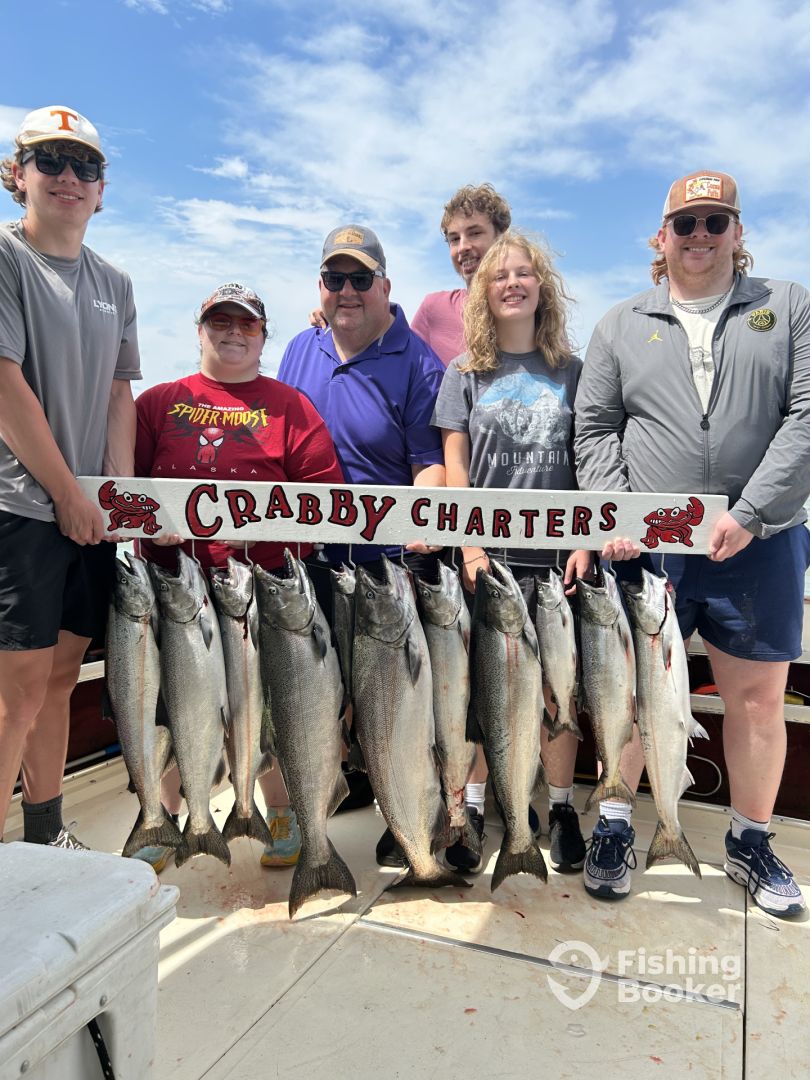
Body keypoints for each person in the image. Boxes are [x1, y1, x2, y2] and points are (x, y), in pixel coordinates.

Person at [574, 170, 810, 917]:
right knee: (630, 695)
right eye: (686, 223)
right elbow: (595, 429)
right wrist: (617, 515)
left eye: (716, 222)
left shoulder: (789, 305)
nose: (700, 236)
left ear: (739, 232)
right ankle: (615, 822)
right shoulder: (619, 324)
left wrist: (751, 512)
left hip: (761, 540)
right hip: (652, 550)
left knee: (757, 700)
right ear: (661, 236)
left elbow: (806, 415)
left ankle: (750, 840)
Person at [134, 282, 345, 871]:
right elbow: (123, 485)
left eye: (246, 324)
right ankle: (165, 817)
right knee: (177, 708)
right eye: (220, 322)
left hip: (264, 592)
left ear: (262, 335)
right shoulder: (158, 402)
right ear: (200, 330)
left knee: (268, 707)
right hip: (175, 588)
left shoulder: (290, 406)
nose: (232, 333)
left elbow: (326, 497)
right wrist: (151, 521)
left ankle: (281, 814)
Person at [277, 224, 446, 866]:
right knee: (318, 699)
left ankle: (407, 814)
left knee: (393, 704)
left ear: (385, 285)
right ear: (319, 286)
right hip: (309, 563)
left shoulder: (418, 362)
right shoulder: (301, 347)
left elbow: (430, 463)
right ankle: (320, 804)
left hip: (385, 570)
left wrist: (422, 520)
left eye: (359, 279)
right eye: (334, 278)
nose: (346, 291)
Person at [0, 105, 140, 848]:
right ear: (16, 174)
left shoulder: (116, 282)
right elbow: (5, 386)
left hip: (87, 517)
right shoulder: (6, 257)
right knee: (14, 698)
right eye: (49, 159)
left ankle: (45, 835)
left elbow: (119, 395)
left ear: (101, 189)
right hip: (20, 509)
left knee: (59, 678)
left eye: (84, 164)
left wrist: (119, 504)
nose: (67, 176)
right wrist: (66, 494)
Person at [433, 231, 590, 874]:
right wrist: (468, 543)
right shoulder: (464, 372)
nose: (512, 284)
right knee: (485, 694)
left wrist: (581, 537)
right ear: (483, 292)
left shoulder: (573, 371)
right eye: (499, 276)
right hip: (487, 564)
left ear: (542, 286)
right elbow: (455, 465)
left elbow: (589, 460)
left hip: (556, 565)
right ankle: (475, 807)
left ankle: (560, 807)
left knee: (558, 692)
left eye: (523, 273)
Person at [411, 183, 511, 366]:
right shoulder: (434, 309)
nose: (463, 247)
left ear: (501, 239)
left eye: (475, 233)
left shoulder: (527, 309)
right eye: (455, 239)